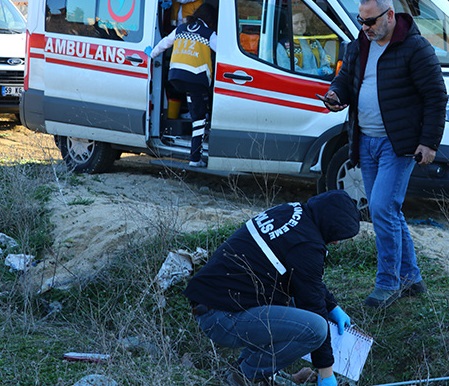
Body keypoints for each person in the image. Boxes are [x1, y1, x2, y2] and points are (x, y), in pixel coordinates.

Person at [321, 0, 447, 308]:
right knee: (388, 210)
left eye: (370, 22)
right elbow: (345, 80)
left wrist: (429, 143)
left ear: (390, 15)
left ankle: (388, 283)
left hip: (399, 144)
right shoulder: (359, 44)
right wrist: (336, 94)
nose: (364, 28)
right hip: (365, 141)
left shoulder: (415, 48)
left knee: (380, 208)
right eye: (361, 22)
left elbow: (436, 96)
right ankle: (411, 277)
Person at [184, 190, 361, 385]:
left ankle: (246, 367)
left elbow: (305, 279)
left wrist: (332, 307)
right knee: (316, 328)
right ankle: (244, 376)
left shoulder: (290, 212)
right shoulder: (306, 245)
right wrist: (326, 372)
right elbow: (313, 304)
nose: (336, 242)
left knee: (295, 307)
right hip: (222, 318)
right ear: (330, 225)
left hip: (214, 306)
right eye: (338, 235)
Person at [146, 3, 217, 167]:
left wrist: (151, 53)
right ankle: (195, 159)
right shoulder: (208, 33)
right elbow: (225, 52)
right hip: (196, 79)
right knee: (199, 118)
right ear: (211, 20)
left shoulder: (181, 29)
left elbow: (164, 43)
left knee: (191, 106)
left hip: (175, 76)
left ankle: (185, 114)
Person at [277, 10, 333, 76]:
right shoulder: (283, 46)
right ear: (288, 25)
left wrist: (325, 69)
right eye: (296, 23)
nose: (300, 26)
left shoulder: (313, 41)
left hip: (320, 81)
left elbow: (325, 60)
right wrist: (316, 72)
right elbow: (287, 70)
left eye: (303, 22)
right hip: (301, 82)